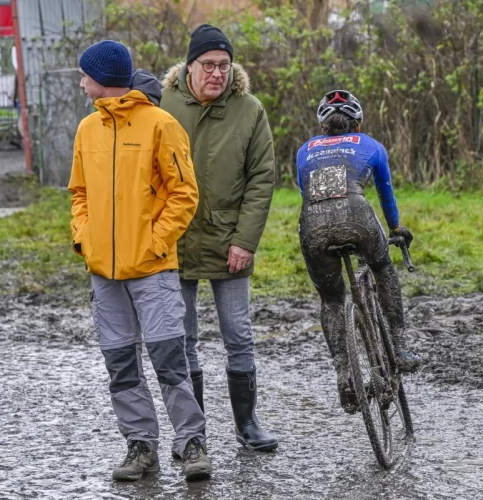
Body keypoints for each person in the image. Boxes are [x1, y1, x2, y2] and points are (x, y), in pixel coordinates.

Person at [68, 41, 210, 482]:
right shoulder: (87, 129)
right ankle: (141, 447)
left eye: (84, 75)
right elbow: (79, 194)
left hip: (153, 269)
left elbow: (184, 193)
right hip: (104, 273)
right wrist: (84, 238)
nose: (80, 83)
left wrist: (154, 242)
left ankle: (191, 444)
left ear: (103, 78)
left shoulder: (160, 124)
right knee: (120, 364)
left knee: (170, 360)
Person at [160, 24, 278, 453]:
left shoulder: (250, 110)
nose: (217, 74)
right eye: (208, 65)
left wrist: (245, 241)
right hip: (175, 240)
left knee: (238, 334)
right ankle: (195, 433)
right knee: (181, 336)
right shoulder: (163, 103)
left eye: (224, 66)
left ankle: (248, 425)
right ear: (189, 66)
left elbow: (262, 179)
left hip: (231, 240)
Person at [295, 89, 419, 413]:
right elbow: (386, 197)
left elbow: (304, 191)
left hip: (313, 225)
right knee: (382, 269)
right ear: (358, 123)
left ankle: (344, 376)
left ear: (323, 126)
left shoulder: (304, 150)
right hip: (358, 218)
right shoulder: (371, 146)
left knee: (332, 299)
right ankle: (401, 350)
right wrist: (395, 230)